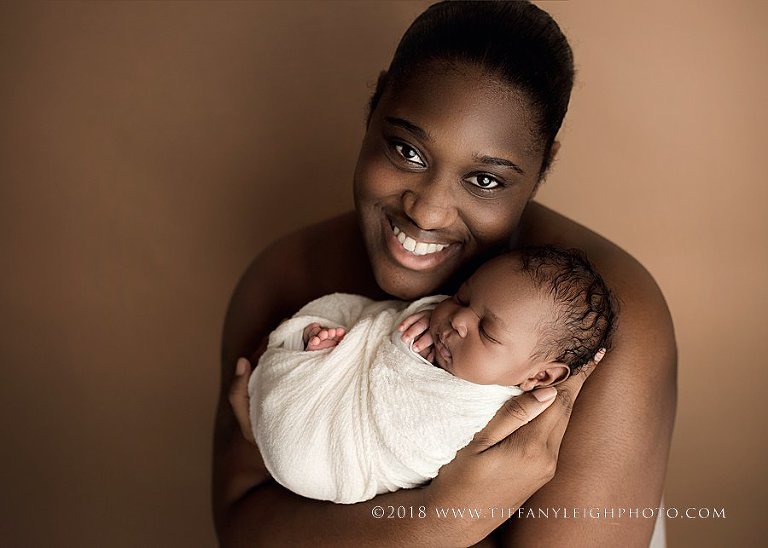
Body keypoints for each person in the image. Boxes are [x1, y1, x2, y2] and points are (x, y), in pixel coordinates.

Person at [214, 1, 676, 546]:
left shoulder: (599, 321)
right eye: (407, 149)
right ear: (374, 108)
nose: (427, 212)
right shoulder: (284, 275)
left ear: (541, 167)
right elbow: (240, 524)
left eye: (484, 180)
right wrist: (439, 519)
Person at [248, 247, 615, 505]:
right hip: (325, 395)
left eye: (486, 331)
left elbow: (415, 442)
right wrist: (407, 331)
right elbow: (391, 319)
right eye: (462, 297)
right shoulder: (439, 326)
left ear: (539, 377)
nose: (458, 320)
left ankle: (318, 360)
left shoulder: (488, 411)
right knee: (351, 322)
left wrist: (402, 354)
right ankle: (320, 357)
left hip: (329, 454)